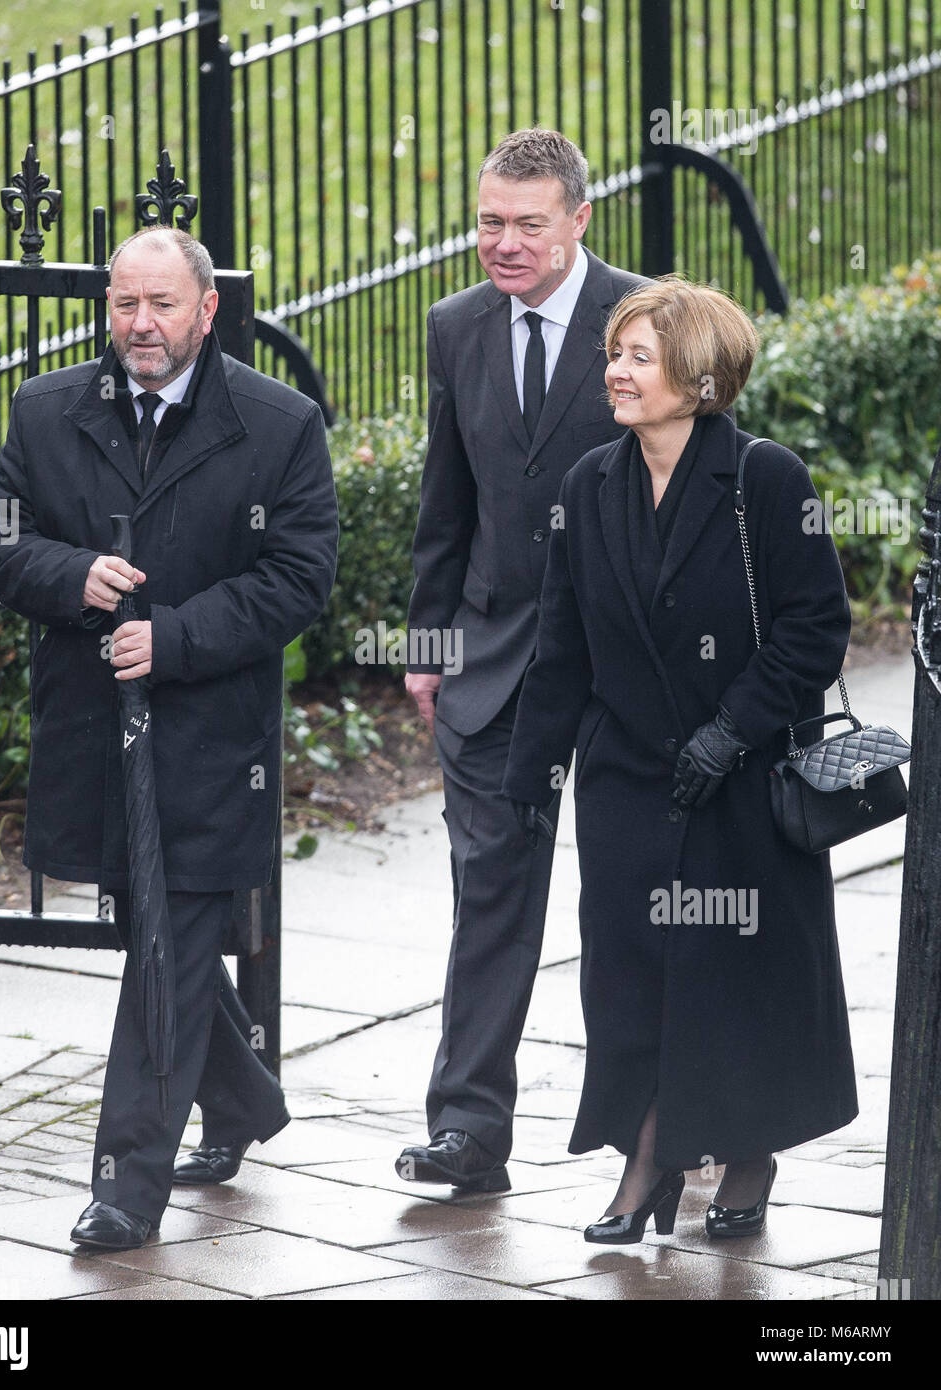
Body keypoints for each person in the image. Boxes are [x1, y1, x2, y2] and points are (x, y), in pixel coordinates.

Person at [0, 226, 339, 1250]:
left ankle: (127, 1184)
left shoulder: (279, 424)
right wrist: (68, 576)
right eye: (124, 303)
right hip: (92, 732)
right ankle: (245, 1103)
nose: (140, 325)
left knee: (165, 955)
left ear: (206, 309)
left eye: (162, 305)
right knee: (156, 936)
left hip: (214, 741)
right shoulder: (46, 411)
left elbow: (300, 577)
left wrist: (172, 638)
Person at [501, 276, 858, 1242]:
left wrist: (731, 728)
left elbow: (816, 629)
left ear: (698, 379)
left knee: (734, 981)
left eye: (637, 357)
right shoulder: (589, 484)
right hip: (626, 787)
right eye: (613, 353)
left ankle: (748, 1153)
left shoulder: (765, 480)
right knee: (632, 980)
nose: (614, 372)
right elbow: (560, 650)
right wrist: (533, 779)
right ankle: (649, 1156)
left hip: (738, 783)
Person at [398, 129, 648, 1192]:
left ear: (579, 221)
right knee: (490, 891)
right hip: (494, 663)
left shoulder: (646, 323)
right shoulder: (455, 325)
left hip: (631, 667)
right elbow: (441, 498)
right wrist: (423, 644)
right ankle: (466, 1128)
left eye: (525, 225)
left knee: (635, 898)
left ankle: (659, 1124)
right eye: (488, 220)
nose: (501, 243)